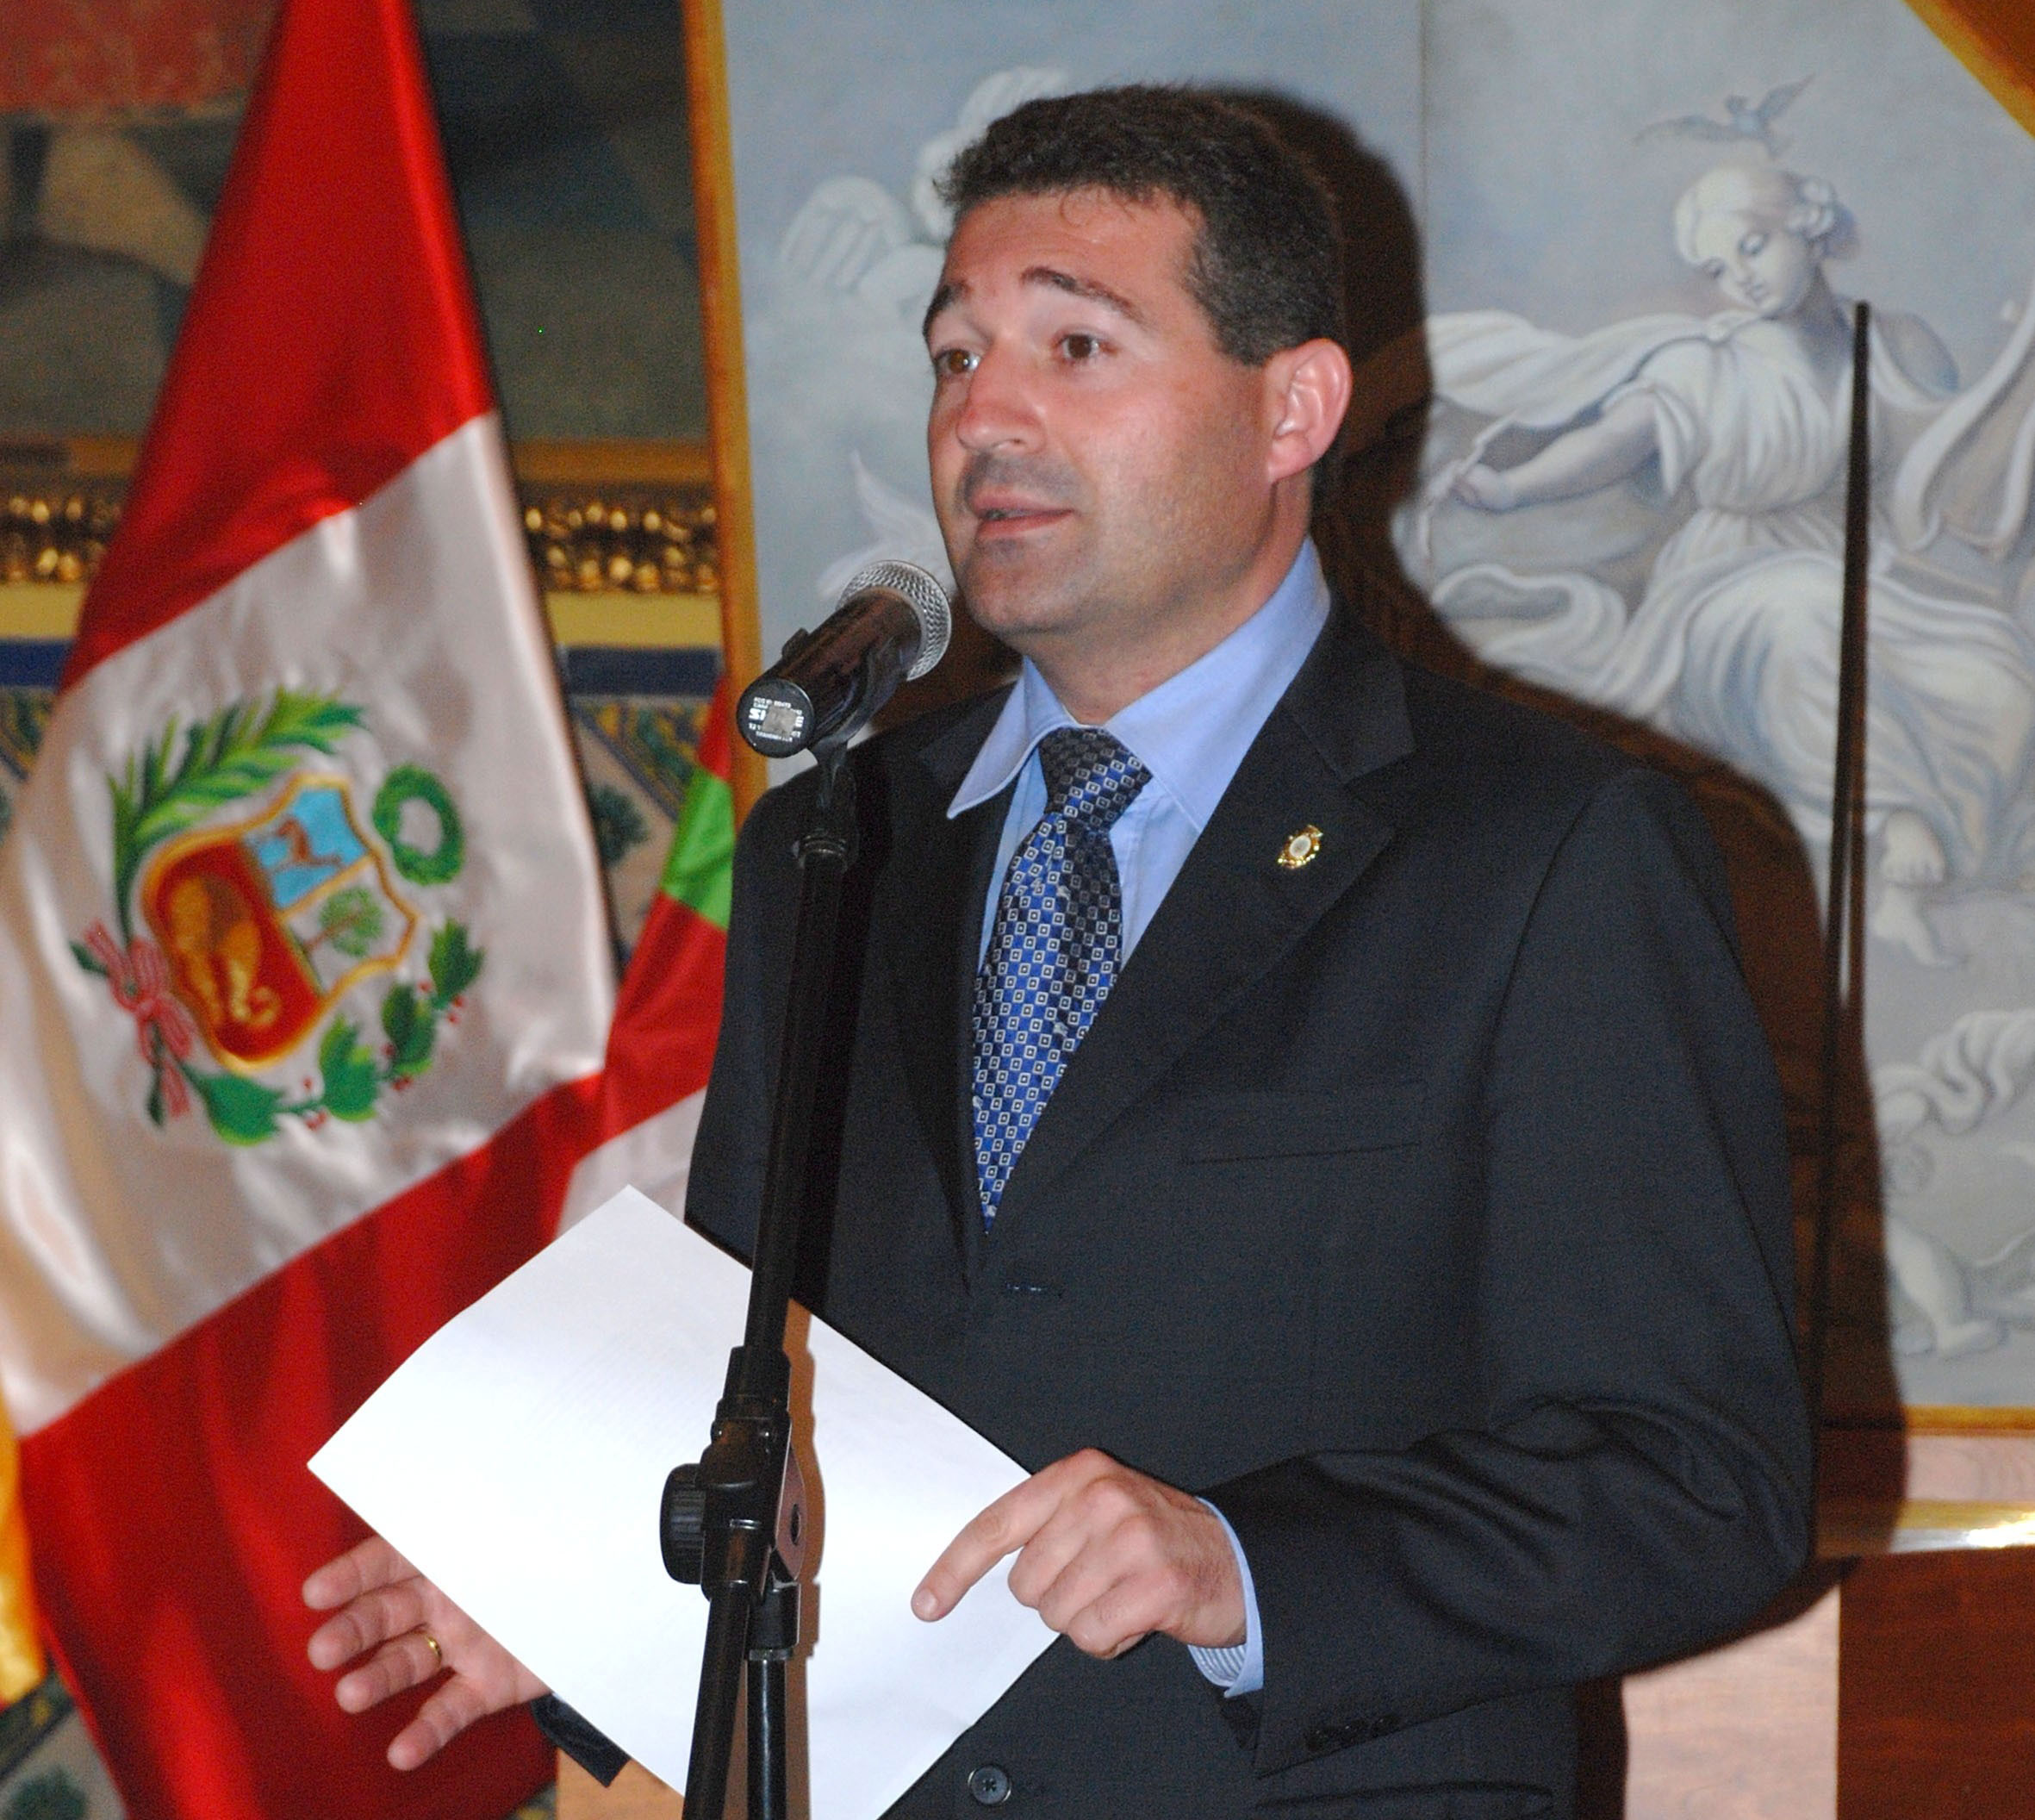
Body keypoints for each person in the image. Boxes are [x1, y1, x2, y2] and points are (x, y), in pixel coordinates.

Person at [305, 87, 1811, 1817]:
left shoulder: (1536, 850)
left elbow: (1696, 1484)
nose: (985, 417)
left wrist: (1245, 1568)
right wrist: (594, 1617)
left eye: (1075, 347)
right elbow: (757, 1388)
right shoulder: (839, 844)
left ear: (1290, 408)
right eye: (955, 356)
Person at [1411, 162, 2035, 969]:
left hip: (1861, 571)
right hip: (1726, 587)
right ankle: (1893, 819)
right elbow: (1613, 443)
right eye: (1718, 268)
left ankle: (1930, 883)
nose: (1740, 278)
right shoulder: (1709, 363)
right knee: (1800, 624)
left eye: (1752, 246)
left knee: (1993, 665)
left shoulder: (1894, 344)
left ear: (1807, 223)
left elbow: (1945, 463)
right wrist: (1512, 487)